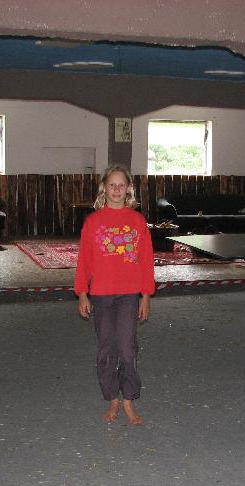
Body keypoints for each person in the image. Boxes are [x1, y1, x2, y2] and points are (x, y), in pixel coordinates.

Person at [74, 164, 155, 425]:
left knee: (127, 348)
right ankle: (112, 398)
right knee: (106, 349)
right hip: (102, 295)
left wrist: (146, 296)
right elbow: (84, 261)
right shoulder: (93, 222)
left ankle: (129, 399)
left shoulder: (137, 221)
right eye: (112, 185)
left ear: (128, 189)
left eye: (121, 185)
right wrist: (82, 293)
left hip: (129, 295)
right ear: (104, 188)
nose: (117, 189)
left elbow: (146, 261)